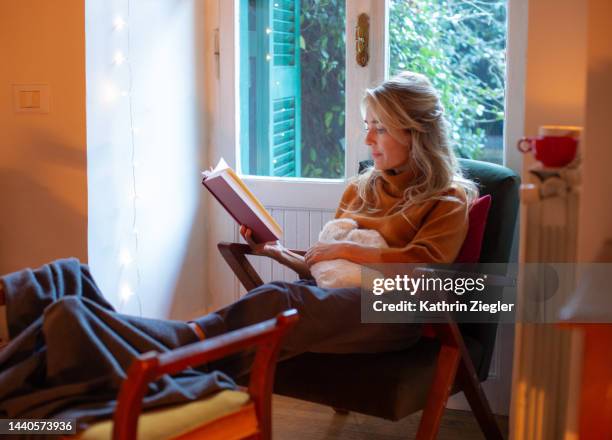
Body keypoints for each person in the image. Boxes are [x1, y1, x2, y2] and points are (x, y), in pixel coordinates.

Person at [0, 71, 477, 425]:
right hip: (338, 299)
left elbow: (428, 267)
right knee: (287, 298)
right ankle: (110, 331)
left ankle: (123, 338)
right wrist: (273, 251)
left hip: (389, 316)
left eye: (381, 128)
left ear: (416, 134)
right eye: (367, 124)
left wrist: (347, 254)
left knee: (282, 302)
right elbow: (320, 268)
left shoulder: (450, 197)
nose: (368, 138)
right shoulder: (361, 187)